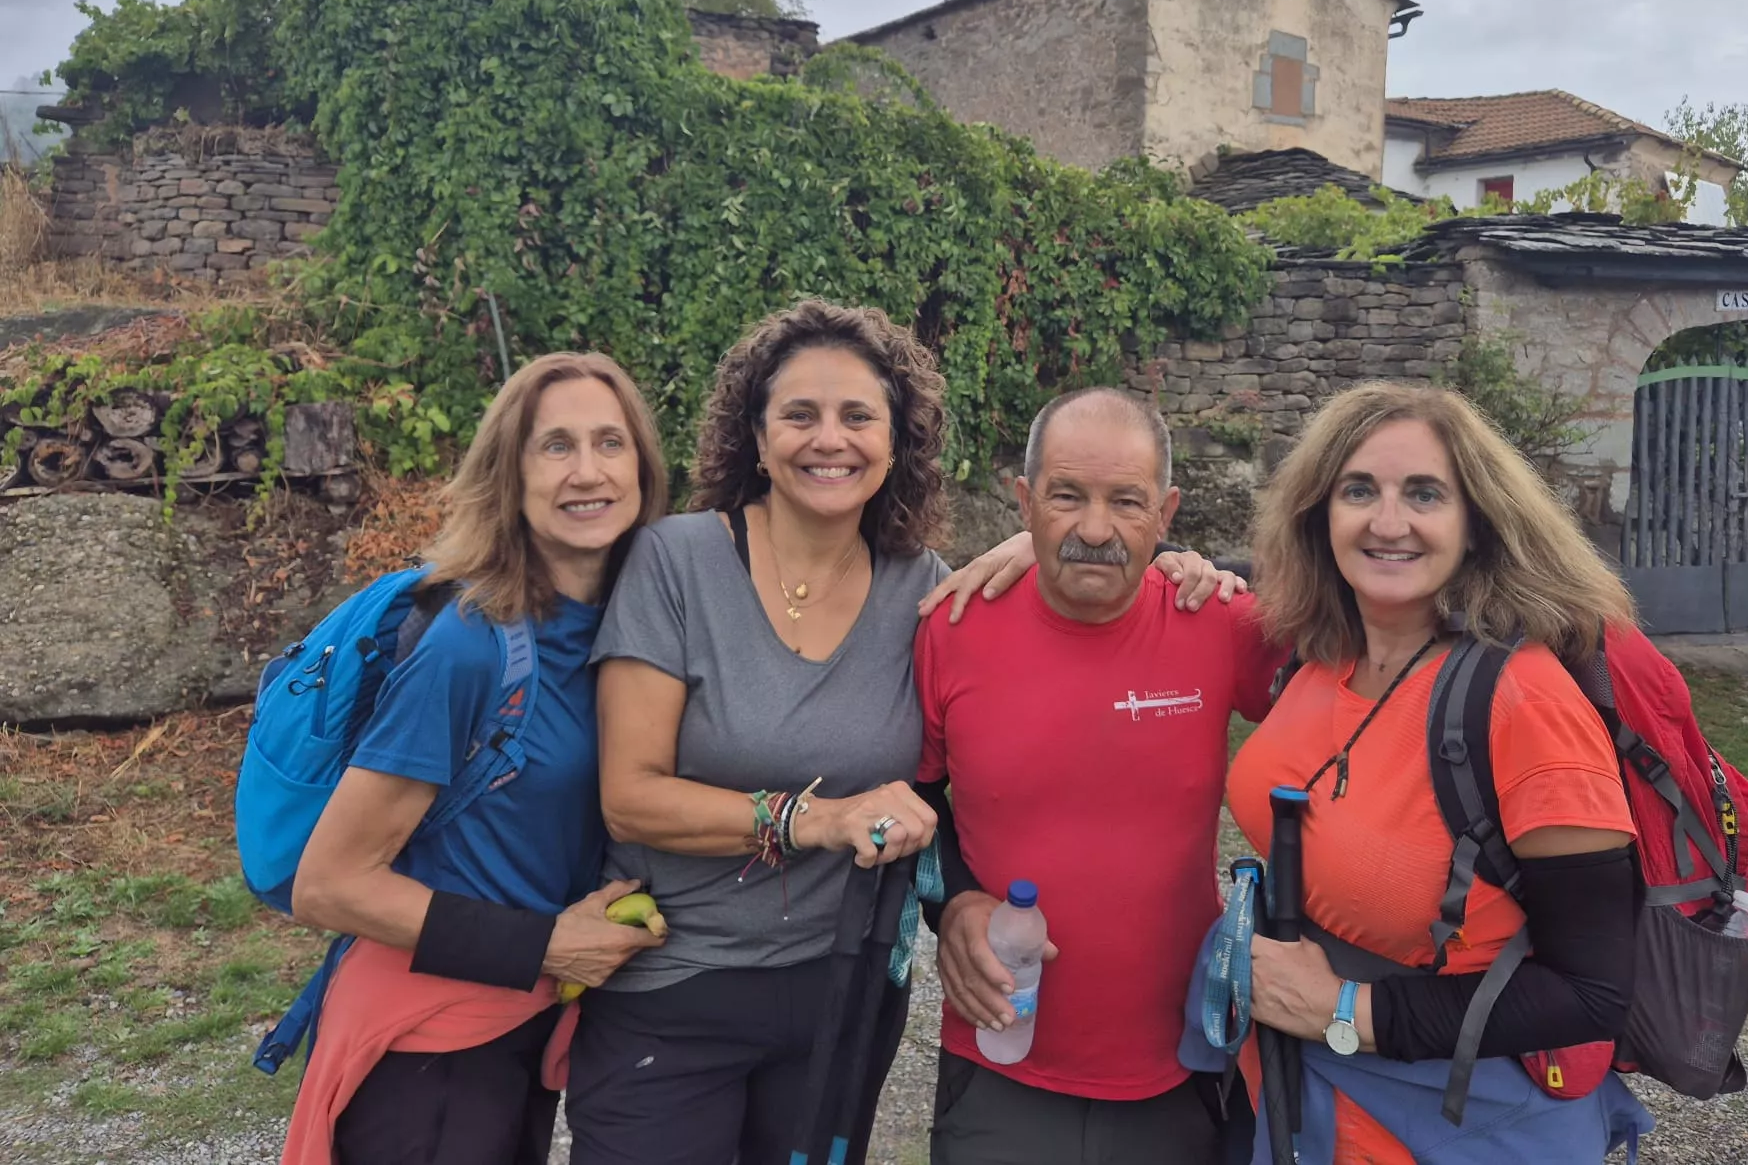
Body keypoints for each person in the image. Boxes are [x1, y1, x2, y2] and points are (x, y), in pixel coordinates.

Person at [568, 305, 1231, 1165]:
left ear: (895, 442)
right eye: (799, 415)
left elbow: (948, 773)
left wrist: (1119, 550)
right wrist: (820, 821)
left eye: (857, 417)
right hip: (678, 979)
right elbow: (629, 797)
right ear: (757, 438)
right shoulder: (677, 562)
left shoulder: (928, 595)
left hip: (842, 988)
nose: (829, 440)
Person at [1228, 380, 1649, 1162]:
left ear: (1474, 523)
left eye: (1424, 493)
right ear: (1320, 513)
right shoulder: (1318, 652)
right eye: (1360, 490)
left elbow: (1593, 993)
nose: (1389, 523)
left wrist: (1344, 1009)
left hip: (1464, 1124)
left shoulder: (1523, 704)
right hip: (1302, 1097)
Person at [284, 352, 674, 1165]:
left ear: (642, 467)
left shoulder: (628, 629)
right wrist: (543, 945)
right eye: (555, 446)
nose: (588, 471)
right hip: (429, 1050)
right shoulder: (469, 644)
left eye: (611, 442)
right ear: (511, 473)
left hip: (516, 1029)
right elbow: (329, 883)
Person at [916, 387, 1289, 1165]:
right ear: (1023, 501)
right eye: (1065, 497)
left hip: (1179, 1063)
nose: (1094, 529)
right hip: (1000, 1060)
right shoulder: (950, 628)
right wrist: (951, 904)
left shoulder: (1218, 620)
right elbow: (910, 799)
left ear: (1167, 512)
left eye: (1126, 501)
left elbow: (1360, 623)